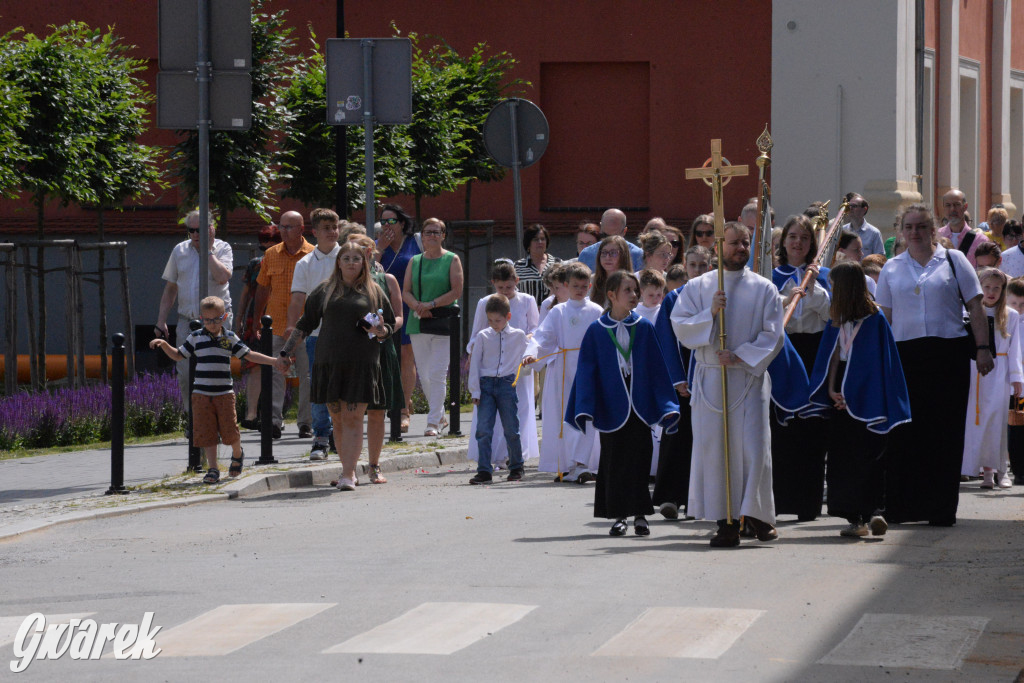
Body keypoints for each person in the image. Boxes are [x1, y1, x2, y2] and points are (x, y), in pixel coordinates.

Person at [875, 203, 994, 526]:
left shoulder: (953, 261)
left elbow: (976, 306)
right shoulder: (892, 268)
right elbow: (884, 319)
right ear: (901, 231)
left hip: (948, 355)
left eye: (922, 226)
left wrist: (983, 348)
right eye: (910, 227)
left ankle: (941, 509)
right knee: (905, 433)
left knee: (945, 431)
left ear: (933, 228)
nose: (916, 233)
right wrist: (879, 361)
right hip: (904, 356)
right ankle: (901, 507)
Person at [671, 222, 785, 547]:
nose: (741, 249)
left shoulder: (764, 288)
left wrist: (739, 356)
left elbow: (774, 334)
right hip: (711, 379)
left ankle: (759, 515)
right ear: (718, 248)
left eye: (745, 243)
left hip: (748, 378)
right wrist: (710, 313)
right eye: (734, 243)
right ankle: (727, 522)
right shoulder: (698, 287)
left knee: (754, 449)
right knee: (717, 451)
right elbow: (680, 325)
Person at [566, 271, 680, 537]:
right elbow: (587, 370)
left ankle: (641, 515)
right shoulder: (596, 330)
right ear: (611, 295)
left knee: (640, 459)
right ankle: (619, 516)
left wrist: (665, 405)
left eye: (635, 290)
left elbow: (656, 368)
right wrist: (585, 405)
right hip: (611, 405)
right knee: (614, 460)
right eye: (627, 290)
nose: (634, 295)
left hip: (638, 404)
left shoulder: (644, 327)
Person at [804, 261, 910, 538]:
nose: (830, 289)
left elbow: (878, 364)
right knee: (842, 457)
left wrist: (854, 394)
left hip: (868, 393)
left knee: (868, 455)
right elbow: (832, 358)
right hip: (840, 392)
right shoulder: (836, 318)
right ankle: (855, 519)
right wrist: (830, 391)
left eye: (834, 286)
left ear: (846, 288)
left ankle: (873, 512)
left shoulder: (874, 320)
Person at [279, 241, 396, 491]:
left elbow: (389, 327)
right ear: (338, 263)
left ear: (363, 263)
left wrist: (381, 330)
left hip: (362, 363)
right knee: (338, 420)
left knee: (353, 418)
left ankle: (348, 473)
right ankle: (348, 469)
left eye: (356, 258)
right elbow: (304, 324)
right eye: (346, 258)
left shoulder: (374, 291)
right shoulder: (324, 290)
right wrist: (285, 352)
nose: (351, 262)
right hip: (328, 362)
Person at [150, 296, 280, 484]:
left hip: (224, 394)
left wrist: (273, 361)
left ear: (224, 317)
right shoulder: (195, 337)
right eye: (208, 320)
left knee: (230, 431)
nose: (212, 324)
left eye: (217, 319)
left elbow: (249, 354)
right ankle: (213, 468)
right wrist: (164, 345)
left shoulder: (229, 338)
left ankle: (237, 453)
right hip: (201, 394)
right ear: (202, 319)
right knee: (207, 433)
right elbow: (179, 355)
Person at [771, 215, 831, 522]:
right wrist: (785, 299)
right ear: (783, 242)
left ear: (812, 244)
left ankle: (808, 504)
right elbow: (766, 316)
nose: (798, 243)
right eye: (792, 236)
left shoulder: (824, 275)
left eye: (804, 238)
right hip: (785, 351)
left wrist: (816, 286)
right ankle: (781, 500)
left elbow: (833, 313)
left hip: (816, 352)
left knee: (812, 428)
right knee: (784, 429)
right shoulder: (771, 276)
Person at [524, 262, 603, 482]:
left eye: (584, 286)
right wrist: (533, 354)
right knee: (564, 415)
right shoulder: (559, 311)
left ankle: (586, 462)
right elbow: (543, 336)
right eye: (575, 285)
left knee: (586, 415)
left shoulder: (596, 310)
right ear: (566, 285)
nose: (580, 290)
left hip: (587, 369)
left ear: (589, 286)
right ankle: (567, 464)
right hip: (563, 368)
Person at [154, 209, 234, 405]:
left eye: (201, 230)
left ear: (211, 229)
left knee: (216, 371)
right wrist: (161, 321)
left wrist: (207, 250)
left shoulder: (223, 248)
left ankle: (216, 421)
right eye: (192, 230)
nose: (196, 235)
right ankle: (193, 421)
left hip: (217, 323)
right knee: (186, 373)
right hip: (187, 321)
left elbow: (222, 277)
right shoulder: (179, 251)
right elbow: (171, 288)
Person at [466, 260, 540, 470]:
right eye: (500, 288)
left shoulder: (527, 300)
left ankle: (515, 454)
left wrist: (525, 339)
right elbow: (477, 333)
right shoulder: (485, 302)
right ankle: (494, 455)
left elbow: (536, 329)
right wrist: (473, 353)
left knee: (520, 409)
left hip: (516, 362)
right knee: (492, 414)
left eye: (509, 287)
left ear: (516, 281)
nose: (505, 292)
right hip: (492, 364)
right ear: (493, 284)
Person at [254, 210, 314, 439]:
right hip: (276, 324)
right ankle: (273, 422)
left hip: (306, 325)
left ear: (301, 229)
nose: (284, 231)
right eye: (282, 226)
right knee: (275, 372)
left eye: (290, 227)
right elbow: (262, 288)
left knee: (307, 375)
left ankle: (305, 423)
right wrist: (258, 320)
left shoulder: (313, 255)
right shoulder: (271, 254)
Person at [403, 218, 464, 437]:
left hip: (443, 321)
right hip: (418, 321)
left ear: (443, 236)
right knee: (426, 374)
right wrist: (418, 307)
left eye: (436, 232)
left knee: (438, 373)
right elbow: (406, 291)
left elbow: (456, 291)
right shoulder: (415, 261)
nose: (432, 236)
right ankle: (439, 415)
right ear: (422, 235)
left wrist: (431, 304)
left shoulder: (452, 259)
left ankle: (433, 423)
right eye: (428, 232)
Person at [288, 208, 341, 460]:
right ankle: (321, 436)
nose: (332, 232)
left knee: (342, 386)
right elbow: (298, 298)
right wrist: (292, 330)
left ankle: (340, 434)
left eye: (335, 227)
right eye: (327, 228)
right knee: (317, 386)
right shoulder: (305, 264)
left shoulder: (348, 257)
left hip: (346, 336)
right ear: (315, 232)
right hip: (316, 335)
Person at [961, 268, 1021, 489]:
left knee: (997, 422)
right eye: (986, 287)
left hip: (999, 374)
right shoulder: (969, 313)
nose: (991, 292)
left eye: (997, 288)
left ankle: (1001, 471)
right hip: (974, 371)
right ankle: (982, 471)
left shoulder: (1010, 316)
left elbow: (1015, 350)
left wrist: (1016, 377)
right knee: (976, 422)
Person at [353, 233, 404, 485]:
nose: (361, 253)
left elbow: (399, 317)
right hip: (352, 351)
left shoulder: (387, 279)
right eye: (354, 249)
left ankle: (374, 465)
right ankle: (348, 469)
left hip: (382, 348)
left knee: (377, 412)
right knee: (350, 413)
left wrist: (385, 331)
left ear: (373, 251)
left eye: (365, 248)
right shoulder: (342, 283)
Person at [467, 294, 529, 485]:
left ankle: (517, 466)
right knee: (484, 429)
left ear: (508, 317)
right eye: (491, 320)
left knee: (512, 427)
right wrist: (475, 390)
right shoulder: (483, 336)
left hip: (506, 384)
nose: (494, 324)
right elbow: (475, 364)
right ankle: (484, 470)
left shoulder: (518, 336)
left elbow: (529, 352)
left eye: (498, 320)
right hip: (486, 385)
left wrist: (529, 357)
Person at [376, 203, 421, 433]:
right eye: (383, 221)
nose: (386, 225)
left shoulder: (416, 242)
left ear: (402, 223)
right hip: (383, 307)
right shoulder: (377, 245)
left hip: (410, 305)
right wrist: (380, 248)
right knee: (384, 358)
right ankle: (389, 402)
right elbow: (367, 269)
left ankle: (403, 409)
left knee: (406, 355)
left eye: (391, 221)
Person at [236, 224, 281, 429]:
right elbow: (246, 293)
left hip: (280, 315)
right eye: (264, 246)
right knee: (253, 365)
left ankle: (273, 415)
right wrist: (239, 318)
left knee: (277, 366)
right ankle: (252, 413)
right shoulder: (256, 264)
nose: (267, 250)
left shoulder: (288, 261)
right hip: (256, 316)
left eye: (272, 244)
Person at [578, 209, 644, 271]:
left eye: (615, 237)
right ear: (601, 228)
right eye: (606, 235)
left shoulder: (638, 256)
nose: (610, 241)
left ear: (624, 231)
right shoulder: (586, 255)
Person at [937, 188, 989, 267]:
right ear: (943, 207)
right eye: (948, 205)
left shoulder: (980, 240)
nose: (952, 209)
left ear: (965, 206)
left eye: (956, 205)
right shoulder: (936, 237)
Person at [514, 223, 562, 307]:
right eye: (535, 239)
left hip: (553, 314)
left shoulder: (558, 263)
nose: (540, 242)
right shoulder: (517, 266)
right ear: (528, 243)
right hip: (527, 316)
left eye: (542, 239)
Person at [1005, 277, 1024, 485]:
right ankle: (1018, 469)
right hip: (1014, 383)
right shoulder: (1007, 320)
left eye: (1023, 304)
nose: (1019, 309)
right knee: (1016, 426)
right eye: (1014, 304)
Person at [590, 235, 632, 308]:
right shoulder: (591, 281)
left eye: (613, 253)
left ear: (623, 256)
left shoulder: (633, 283)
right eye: (604, 252)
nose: (607, 257)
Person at [538, 262, 569, 326]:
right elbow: (541, 331)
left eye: (557, 288)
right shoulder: (547, 303)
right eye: (552, 287)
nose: (554, 292)